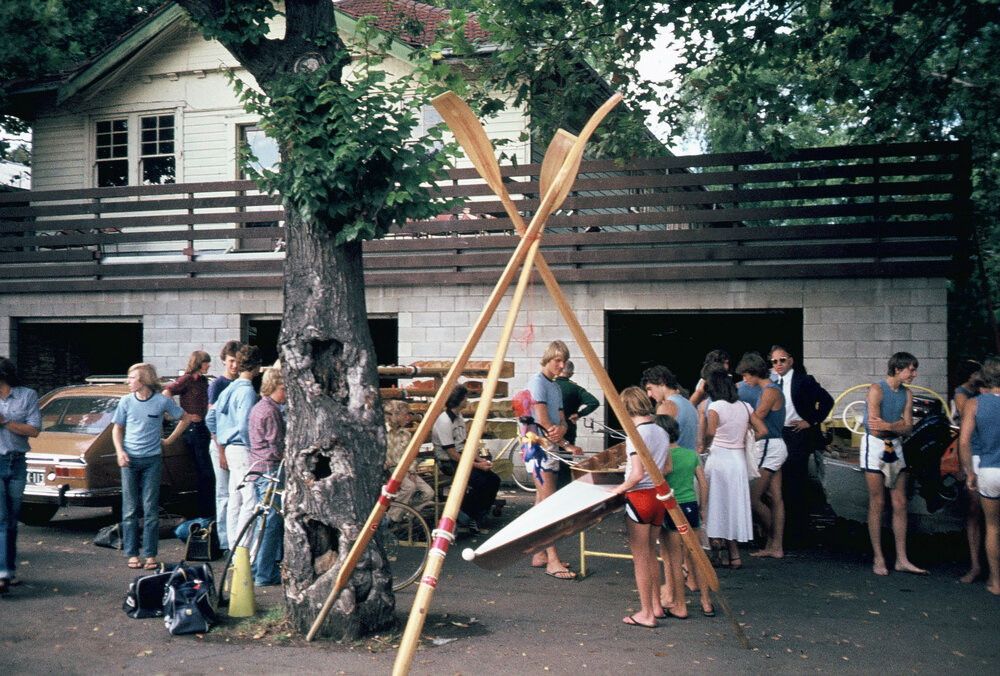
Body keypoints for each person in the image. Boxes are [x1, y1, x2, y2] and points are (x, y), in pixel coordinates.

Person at [112, 363, 192, 570]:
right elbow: (117, 429)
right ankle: (131, 553)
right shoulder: (126, 402)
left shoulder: (161, 401)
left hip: (152, 460)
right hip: (130, 461)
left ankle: (150, 555)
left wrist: (170, 440)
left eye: (132, 378)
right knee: (129, 509)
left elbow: (185, 418)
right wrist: (120, 452)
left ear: (144, 380)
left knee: (150, 509)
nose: (128, 382)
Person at [861, 352, 927, 576]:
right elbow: (875, 428)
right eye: (911, 370)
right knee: (877, 502)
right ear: (897, 369)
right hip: (875, 446)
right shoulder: (876, 389)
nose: (914, 374)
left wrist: (892, 425)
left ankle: (901, 558)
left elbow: (909, 428)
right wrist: (896, 425)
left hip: (895, 446)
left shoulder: (907, 394)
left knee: (899, 502)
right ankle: (878, 557)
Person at [609, 386, 670, 627]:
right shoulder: (662, 431)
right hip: (659, 497)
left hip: (640, 498)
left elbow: (636, 474)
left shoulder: (634, 434)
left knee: (640, 558)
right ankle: (656, 605)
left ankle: (646, 613)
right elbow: (666, 469)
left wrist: (619, 488)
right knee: (652, 554)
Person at [702, 366, 767, 570]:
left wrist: (703, 445)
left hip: (719, 457)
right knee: (732, 505)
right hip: (737, 459)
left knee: (715, 504)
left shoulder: (716, 407)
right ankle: (735, 555)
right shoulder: (745, 406)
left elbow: (711, 431)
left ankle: (716, 551)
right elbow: (763, 430)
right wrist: (745, 439)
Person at [769, 345, 833, 547]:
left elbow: (827, 401)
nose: (778, 364)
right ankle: (782, 533)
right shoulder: (771, 382)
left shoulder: (803, 381)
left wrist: (810, 421)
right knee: (778, 483)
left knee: (795, 482)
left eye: (782, 360)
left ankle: (798, 533)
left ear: (790, 361)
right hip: (777, 433)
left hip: (796, 434)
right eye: (774, 361)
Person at [525, 340, 577, 579]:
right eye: (557, 360)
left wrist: (563, 435)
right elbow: (544, 419)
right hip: (538, 448)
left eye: (563, 361)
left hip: (551, 446)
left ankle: (539, 553)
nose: (561, 365)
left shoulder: (555, 386)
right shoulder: (538, 382)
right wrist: (561, 438)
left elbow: (561, 420)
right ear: (548, 359)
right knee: (549, 502)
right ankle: (552, 560)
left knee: (541, 500)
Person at [656, 414, 713, 618]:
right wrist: (702, 508)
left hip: (672, 507)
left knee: (674, 558)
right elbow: (704, 484)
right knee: (697, 555)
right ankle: (706, 602)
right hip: (691, 506)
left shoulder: (662, 457)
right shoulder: (691, 455)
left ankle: (680, 604)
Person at [206, 344, 261, 551]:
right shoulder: (247, 391)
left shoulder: (230, 387)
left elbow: (210, 418)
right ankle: (246, 550)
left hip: (229, 446)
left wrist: (221, 438)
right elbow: (245, 426)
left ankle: (232, 546)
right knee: (250, 499)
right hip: (242, 448)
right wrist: (253, 448)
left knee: (234, 499)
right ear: (257, 367)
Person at [735, 351, 787, 558]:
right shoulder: (768, 390)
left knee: (753, 497)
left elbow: (756, 419)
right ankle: (776, 546)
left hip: (769, 445)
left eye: (746, 376)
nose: (745, 380)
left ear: (753, 372)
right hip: (773, 445)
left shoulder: (769, 391)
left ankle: (773, 538)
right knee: (775, 497)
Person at [431, 384, 501, 535]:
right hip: (448, 462)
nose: (467, 400)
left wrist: (479, 459)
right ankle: (462, 515)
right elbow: (452, 453)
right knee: (480, 482)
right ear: (459, 400)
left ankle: (475, 515)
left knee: (494, 480)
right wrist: (477, 465)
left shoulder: (459, 416)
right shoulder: (444, 421)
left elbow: (465, 444)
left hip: (461, 458)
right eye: (465, 398)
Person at [958, 356, 1000, 595]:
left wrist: (970, 472)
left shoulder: (974, 404)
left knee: (993, 527)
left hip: (989, 469)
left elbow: (964, 442)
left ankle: (996, 581)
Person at [0, 358, 41, 594]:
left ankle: (9, 570)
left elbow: (34, 430)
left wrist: (5, 422)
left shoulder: (27, 396)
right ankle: (2, 573)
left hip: (17, 462)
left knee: (12, 520)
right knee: (2, 519)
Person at [247, 363, 286, 587]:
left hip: (258, 470)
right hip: (270, 471)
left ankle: (257, 568)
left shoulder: (259, 407)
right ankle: (265, 572)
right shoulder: (271, 412)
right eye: (284, 389)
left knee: (262, 520)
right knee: (270, 522)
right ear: (276, 387)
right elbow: (276, 448)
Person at [164, 350, 214, 520]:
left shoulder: (203, 380)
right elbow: (167, 392)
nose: (208, 365)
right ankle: (204, 513)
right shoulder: (186, 379)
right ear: (199, 363)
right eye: (206, 362)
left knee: (206, 471)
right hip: (192, 429)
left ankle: (207, 509)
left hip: (203, 427)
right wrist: (179, 414)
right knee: (204, 471)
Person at [207, 339, 242, 550]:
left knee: (238, 494)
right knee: (224, 495)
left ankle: (238, 539)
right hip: (220, 445)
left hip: (236, 447)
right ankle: (225, 542)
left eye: (238, 362)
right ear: (223, 361)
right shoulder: (217, 385)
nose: (235, 366)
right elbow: (212, 421)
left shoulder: (241, 384)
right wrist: (220, 451)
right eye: (231, 361)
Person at [953, 360, 984, 584]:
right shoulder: (963, 395)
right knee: (974, 511)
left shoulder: (979, 396)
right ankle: (976, 565)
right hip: (971, 452)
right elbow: (967, 423)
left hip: (982, 452)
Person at [384, 399, 434, 520]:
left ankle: (406, 512)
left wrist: (412, 471)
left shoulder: (405, 433)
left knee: (429, 492)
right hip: (390, 470)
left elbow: (410, 455)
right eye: (405, 414)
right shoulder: (382, 432)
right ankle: (392, 518)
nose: (408, 418)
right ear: (395, 415)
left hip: (405, 469)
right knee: (409, 487)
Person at [642, 364, 698, 451]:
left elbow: (657, 443)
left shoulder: (666, 407)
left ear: (661, 382)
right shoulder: (688, 403)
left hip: (676, 462)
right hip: (692, 460)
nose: (649, 395)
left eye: (650, 388)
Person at [555, 360, 599, 446]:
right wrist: (579, 414)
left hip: (549, 429)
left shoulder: (549, 385)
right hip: (568, 429)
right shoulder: (576, 389)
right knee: (566, 457)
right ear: (571, 373)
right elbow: (594, 402)